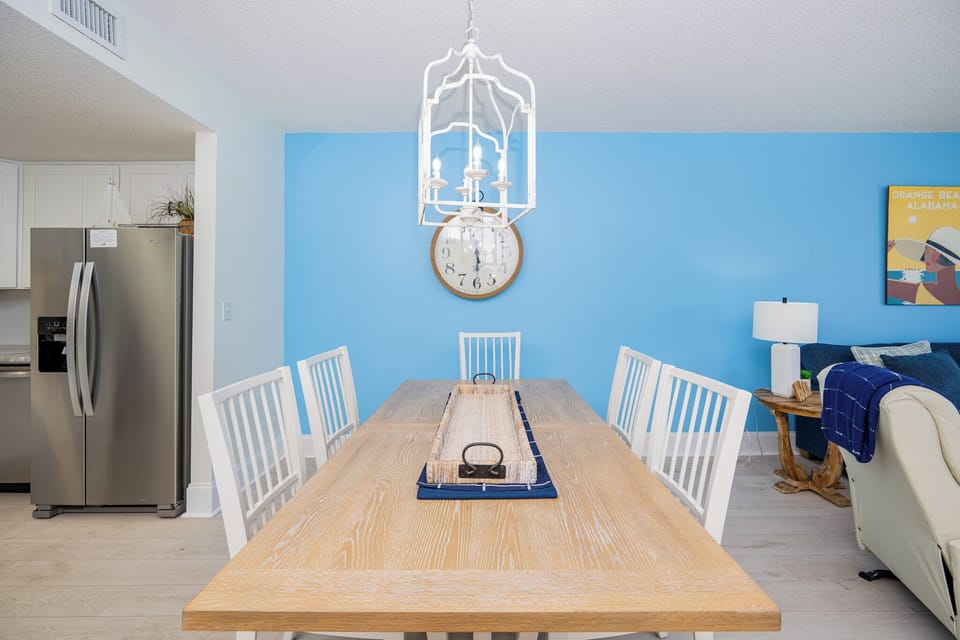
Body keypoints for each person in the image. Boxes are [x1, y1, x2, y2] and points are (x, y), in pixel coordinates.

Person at [887, 226, 960, 305]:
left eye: (933, 250)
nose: (925, 256)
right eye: (926, 248)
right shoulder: (925, 291)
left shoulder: (925, 291)